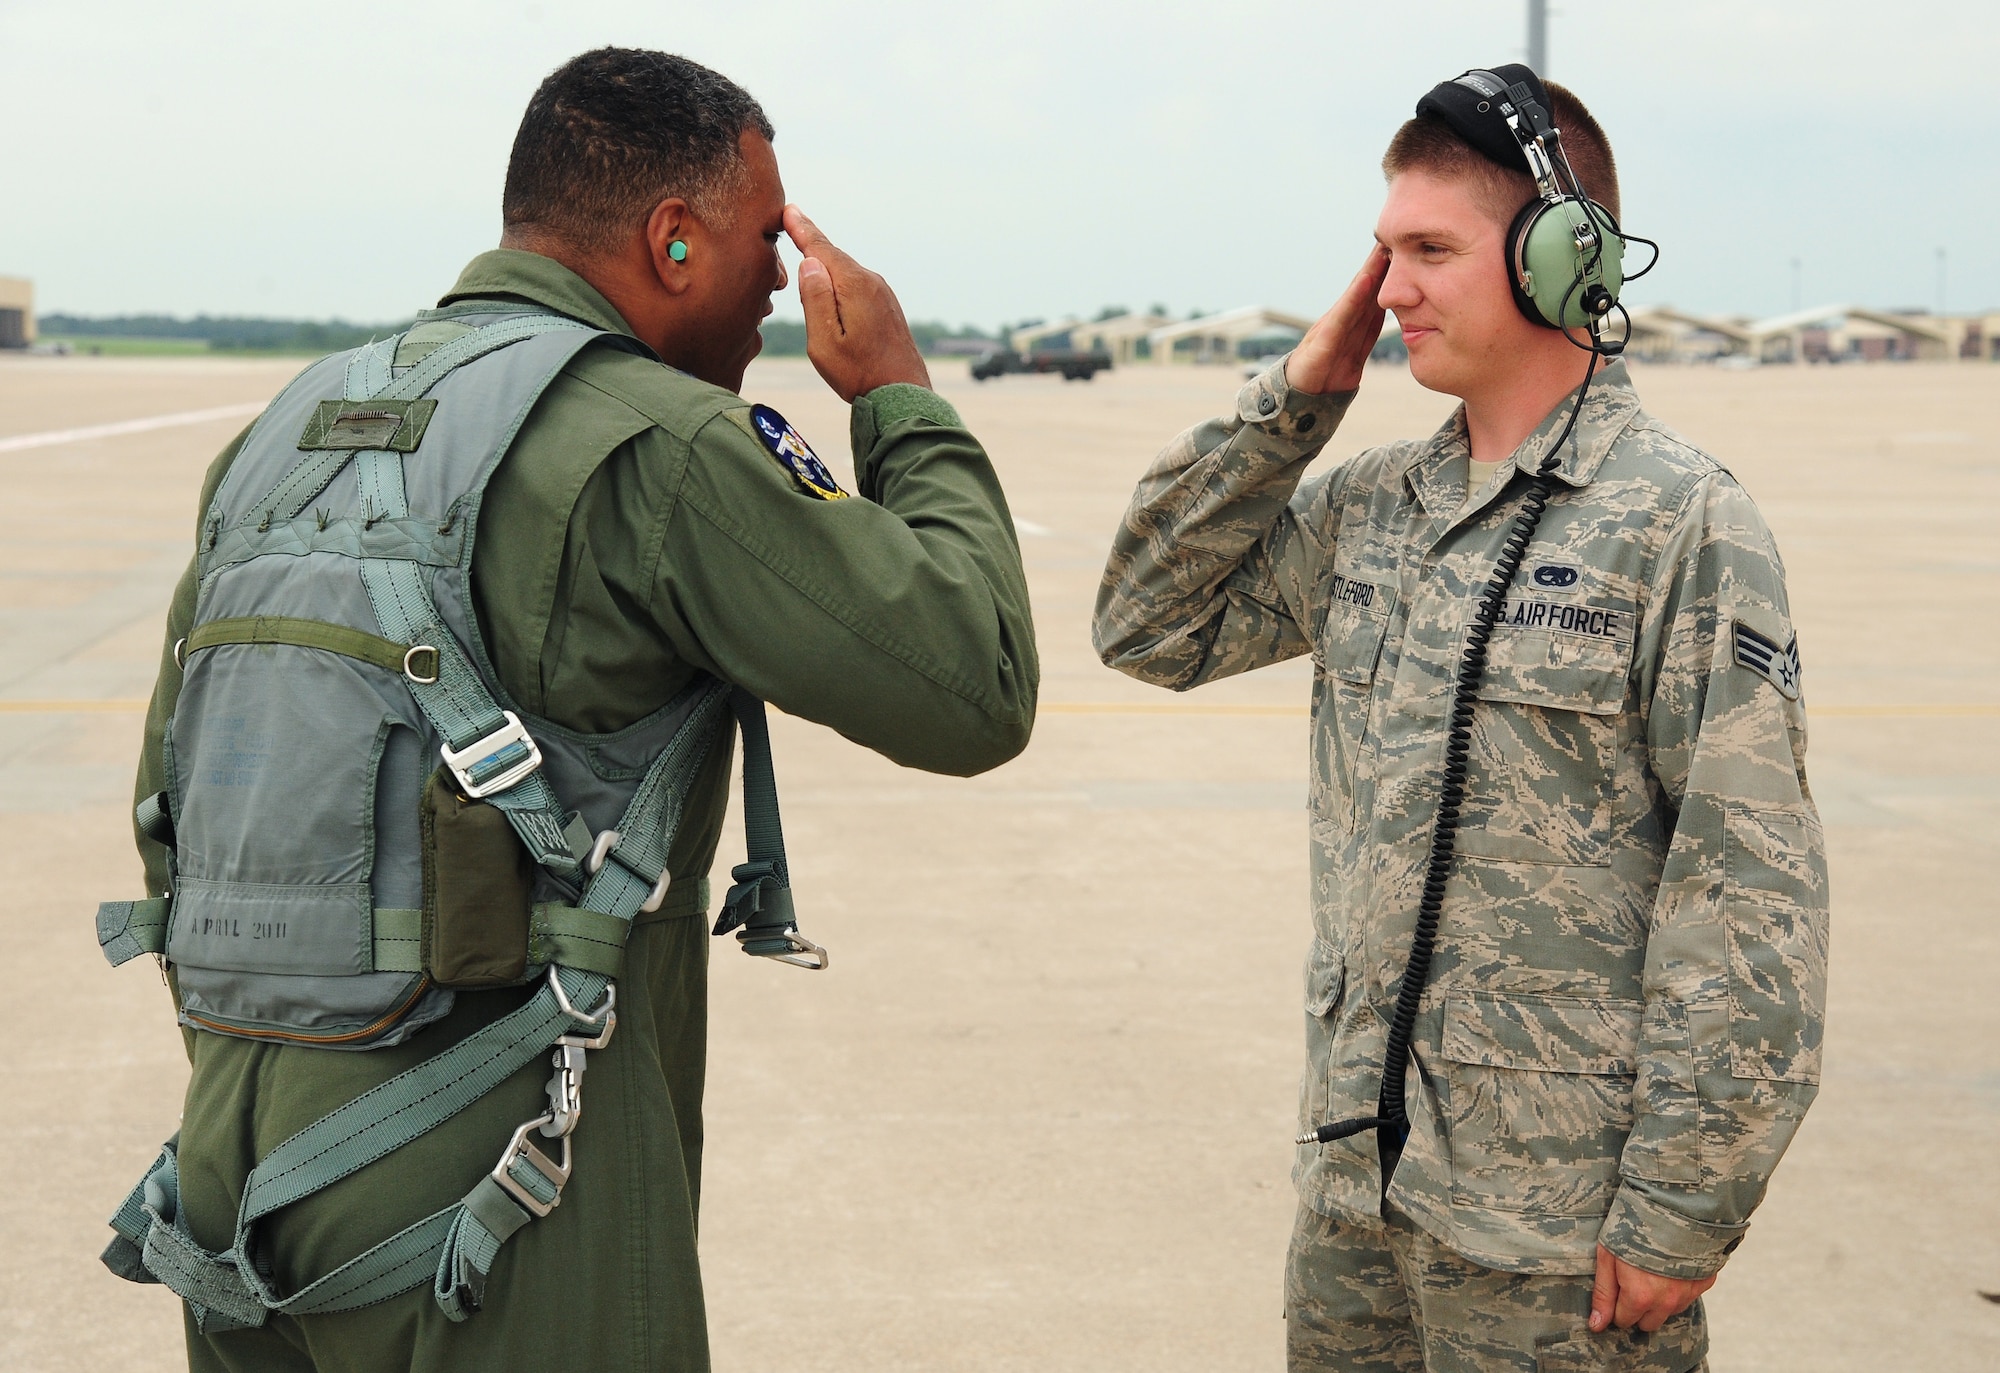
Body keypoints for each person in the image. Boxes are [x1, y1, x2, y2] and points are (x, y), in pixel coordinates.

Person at [105, 47, 1037, 1372]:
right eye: (766, 237)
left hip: (233, 1184)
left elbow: (173, 806)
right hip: (493, 1203)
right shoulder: (653, 442)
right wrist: (896, 395)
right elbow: (975, 675)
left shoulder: (285, 430)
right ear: (672, 241)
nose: (782, 280)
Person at [1094, 68, 1825, 1372]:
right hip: (1355, 1207)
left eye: (1429, 250)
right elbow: (1148, 621)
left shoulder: (1680, 520)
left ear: (1561, 260)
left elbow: (1749, 893)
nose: (1388, 290)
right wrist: (1298, 399)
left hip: (1560, 1240)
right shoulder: (1372, 506)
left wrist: (1683, 1205)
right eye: (1382, 253)